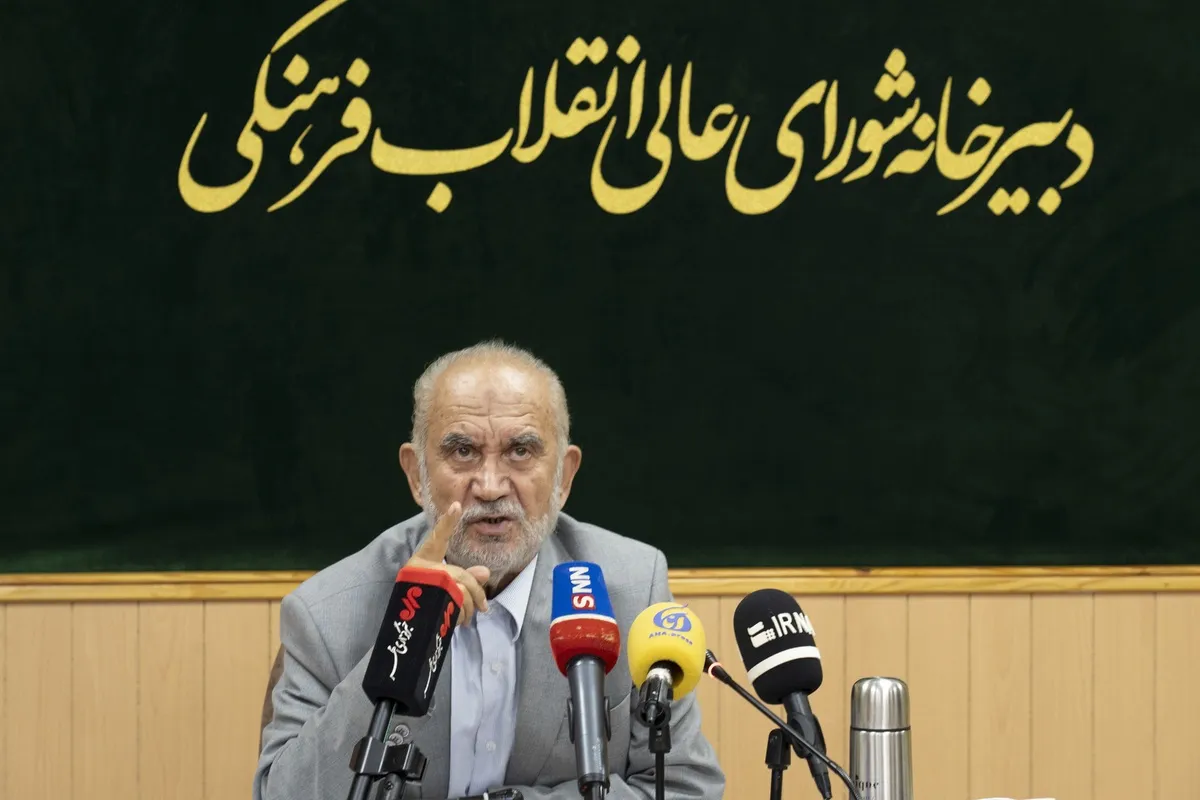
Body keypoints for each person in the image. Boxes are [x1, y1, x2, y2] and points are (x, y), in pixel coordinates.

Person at [254, 340, 725, 800]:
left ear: (564, 477)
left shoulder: (630, 592)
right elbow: (283, 794)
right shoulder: (327, 614)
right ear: (416, 475)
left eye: (520, 451)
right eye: (463, 451)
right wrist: (405, 639)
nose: (491, 485)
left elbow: (685, 787)